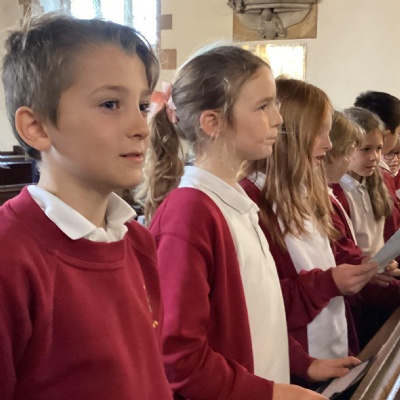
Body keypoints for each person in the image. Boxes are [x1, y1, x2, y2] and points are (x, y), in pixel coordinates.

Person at [140, 45, 345, 400]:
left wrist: (303, 363)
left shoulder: (235, 203)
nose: (278, 119)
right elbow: (179, 359)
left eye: (275, 104)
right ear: (213, 123)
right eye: (263, 106)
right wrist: (270, 393)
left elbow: (256, 314)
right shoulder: (190, 212)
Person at [0, 14, 172, 400]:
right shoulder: (10, 257)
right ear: (37, 127)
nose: (141, 127)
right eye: (110, 104)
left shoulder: (138, 241)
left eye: (142, 105)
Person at [240, 78, 378, 386]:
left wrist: (362, 269)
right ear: (289, 133)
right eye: (320, 132)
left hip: (330, 348)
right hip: (294, 365)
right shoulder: (251, 200)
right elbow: (259, 304)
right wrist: (328, 283)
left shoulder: (306, 189)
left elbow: (330, 252)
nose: (328, 145)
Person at [325, 110, 400, 349]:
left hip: (385, 276)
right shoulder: (334, 192)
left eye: (378, 149)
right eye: (365, 149)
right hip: (361, 290)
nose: (374, 157)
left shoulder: (381, 180)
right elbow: (345, 252)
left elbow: (391, 233)